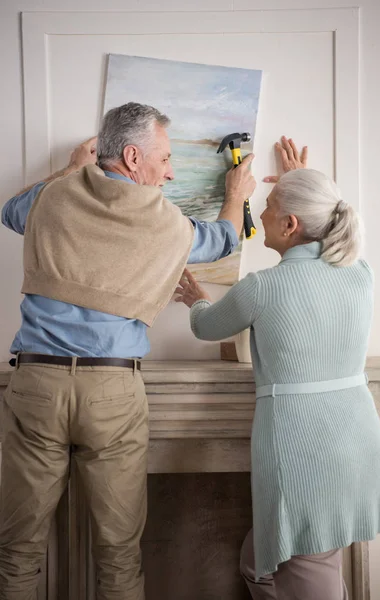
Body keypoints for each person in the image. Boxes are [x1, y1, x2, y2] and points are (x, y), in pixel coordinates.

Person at [0, 102, 256, 600]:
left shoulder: (53, 196)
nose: (171, 170)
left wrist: (72, 167)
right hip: (112, 393)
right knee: (118, 556)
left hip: (35, 387)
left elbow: (10, 212)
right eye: (164, 158)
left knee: (17, 552)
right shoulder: (165, 222)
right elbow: (224, 240)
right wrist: (235, 193)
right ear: (134, 157)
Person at [175, 136, 380, 600]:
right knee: (261, 563)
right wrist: (299, 182)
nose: (262, 210)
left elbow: (206, 326)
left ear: (291, 224)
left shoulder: (262, 287)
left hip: (302, 451)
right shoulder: (362, 273)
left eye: (269, 204)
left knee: (306, 563)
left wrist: (196, 298)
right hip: (356, 441)